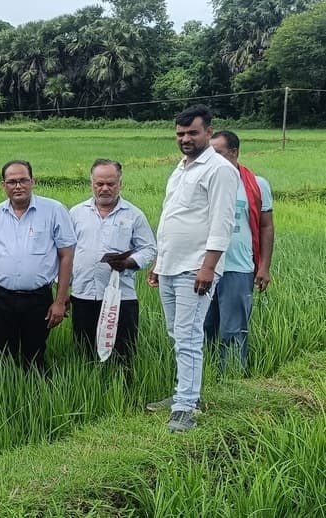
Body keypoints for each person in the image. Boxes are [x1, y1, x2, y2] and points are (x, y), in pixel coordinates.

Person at [145, 104, 239, 433]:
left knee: (187, 336)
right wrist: (160, 262)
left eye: (192, 133)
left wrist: (208, 268)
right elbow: (174, 218)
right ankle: (183, 394)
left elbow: (221, 223)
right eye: (180, 133)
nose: (185, 138)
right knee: (177, 334)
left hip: (196, 269)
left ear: (208, 133)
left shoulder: (220, 169)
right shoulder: (182, 167)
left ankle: (186, 406)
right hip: (172, 265)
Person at [0, 160, 75, 372]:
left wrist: (60, 301)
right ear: (3, 185)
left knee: (34, 354)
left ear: (33, 182)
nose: (18, 186)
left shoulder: (53, 210)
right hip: (1, 297)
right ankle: (4, 396)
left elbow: (66, 256)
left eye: (23, 180)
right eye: (12, 182)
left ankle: (37, 398)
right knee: (1, 354)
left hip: (38, 298)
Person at [68, 159, 157, 368]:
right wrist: (62, 291)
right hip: (83, 295)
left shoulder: (134, 215)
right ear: (91, 184)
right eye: (99, 184)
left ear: (120, 184)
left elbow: (149, 248)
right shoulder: (76, 213)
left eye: (110, 183)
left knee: (122, 354)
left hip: (121, 297)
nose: (105, 188)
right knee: (85, 352)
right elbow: (65, 252)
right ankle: (89, 391)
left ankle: (123, 395)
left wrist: (129, 262)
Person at [204, 130, 275, 376]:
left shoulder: (257, 184)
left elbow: (266, 226)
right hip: (203, 267)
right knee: (202, 327)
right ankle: (204, 378)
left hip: (238, 267)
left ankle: (232, 379)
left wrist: (264, 266)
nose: (211, 159)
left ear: (233, 153)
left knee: (233, 329)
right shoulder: (204, 181)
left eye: (218, 153)